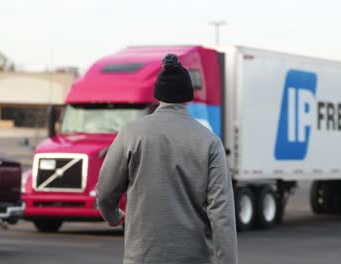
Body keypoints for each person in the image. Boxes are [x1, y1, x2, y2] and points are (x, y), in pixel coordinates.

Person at [96, 54, 238, 264]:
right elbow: (222, 214)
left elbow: (106, 192)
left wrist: (113, 216)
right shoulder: (209, 142)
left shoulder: (131, 134)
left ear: (158, 94)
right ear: (188, 96)